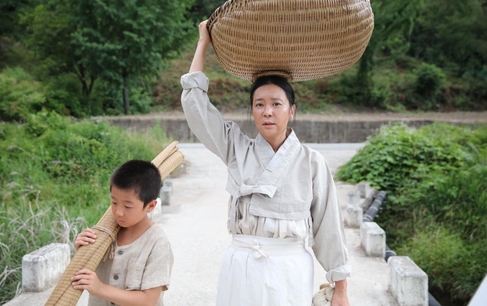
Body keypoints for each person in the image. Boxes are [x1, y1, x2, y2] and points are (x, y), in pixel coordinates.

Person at [180, 20, 351, 306]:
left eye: (276, 103)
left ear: (292, 110)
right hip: (241, 266)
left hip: (290, 269)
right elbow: (196, 108)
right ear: (252, 110)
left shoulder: (312, 162)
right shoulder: (236, 148)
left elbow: (329, 226)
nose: (267, 112)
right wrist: (203, 43)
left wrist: (341, 289)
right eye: (259, 104)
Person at [71, 159, 174, 306]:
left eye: (127, 206)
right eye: (114, 202)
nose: (118, 212)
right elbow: (83, 273)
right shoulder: (104, 232)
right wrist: (82, 249)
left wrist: (100, 288)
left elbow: (148, 300)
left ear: (150, 206)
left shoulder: (158, 243)